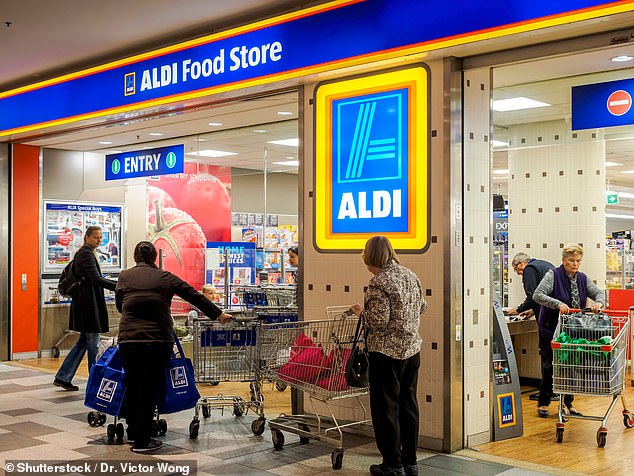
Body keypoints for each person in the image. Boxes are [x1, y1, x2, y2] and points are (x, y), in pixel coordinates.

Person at [115, 241, 232, 453]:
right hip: (157, 339)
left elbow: (119, 306)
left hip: (129, 339)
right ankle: (142, 440)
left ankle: (134, 432)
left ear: (135, 257)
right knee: (148, 387)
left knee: (133, 384)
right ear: (154, 258)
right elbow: (194, 295)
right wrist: (219, 314)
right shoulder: (165, 277)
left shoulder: (124, 276)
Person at [350, 236, 426, 476]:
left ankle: (392, 464)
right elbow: (423, 306)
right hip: (412, 350)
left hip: (386, 353)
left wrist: (362, 313)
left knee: (386, 410)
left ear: (370, 257)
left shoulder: (378, 283)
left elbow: (378, 322)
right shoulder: (410, 275)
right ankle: (410, 461)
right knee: (408, 405)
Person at [533, 243, 605, 418]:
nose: (575, 264)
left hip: (572, 330)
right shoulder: (553, 275)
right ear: (564, 260)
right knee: (550, 365)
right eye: (571, 260)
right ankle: (544, 402)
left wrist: (598, 303)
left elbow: (598, 293)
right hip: (551, 328)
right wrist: (557, 304)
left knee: (570, 365)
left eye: (578, 261)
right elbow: (538, 295)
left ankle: (568, 403)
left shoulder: (582, 278)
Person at [54, 226, 116, 391]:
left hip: (84, 303)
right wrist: (118, 286)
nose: (99, 240)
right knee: (93, 343)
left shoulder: (85, 252)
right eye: (96, 237)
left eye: (101, 237)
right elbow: (95, 278)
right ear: (87, 237)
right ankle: (94, 382)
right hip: (89, 305)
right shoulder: (86, 253)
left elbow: (93, 278)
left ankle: (63, 376)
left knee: (83, 341)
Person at [506, 253, 555, 318]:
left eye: (516, 269)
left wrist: (518, 310)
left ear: (521, 263)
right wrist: (533, 311)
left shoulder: (529, 269)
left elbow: (532, 296)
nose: (517, 273)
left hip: (547, 312)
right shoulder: (544, 264)